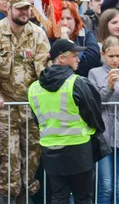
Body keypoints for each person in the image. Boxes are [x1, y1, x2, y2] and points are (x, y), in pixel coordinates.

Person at [28, 38, 105, 204]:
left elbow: (37, 118)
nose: (78, 59)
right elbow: (94, 115)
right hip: (79, 150)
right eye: (74, 56)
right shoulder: (77, 82)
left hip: (50, 151)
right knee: (83, 198)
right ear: (62, 58)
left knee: (58, 196)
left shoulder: (34, 87)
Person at [0, 0, 50, 200]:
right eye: (20, 8)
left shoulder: (37, 34)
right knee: (9, 164)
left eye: (28, 8)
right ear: (8, 9)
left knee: (31, 163)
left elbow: (44, 72)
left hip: (32, 109)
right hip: (5, 110)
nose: (25, 12)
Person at [88, 37, 119, 204]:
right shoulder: (94, 73)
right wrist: (108, 87)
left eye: (118, 56)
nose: (115, 60)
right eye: (111, 56)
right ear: (103, 55)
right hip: (104, 136)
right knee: (106, 186)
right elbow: (95, 104)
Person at [52, 1, 101, 77]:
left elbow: (92, 60)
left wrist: (66, 40)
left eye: (69, 18)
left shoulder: (86, 35)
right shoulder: (50, 37)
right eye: (61, 19)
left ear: (75, 20)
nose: (65, 23)